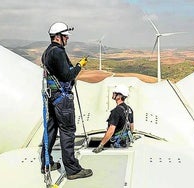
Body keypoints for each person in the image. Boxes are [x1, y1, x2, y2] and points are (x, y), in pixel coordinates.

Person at [41, 22, 93, 180]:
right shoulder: (58, 52)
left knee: (50, 130)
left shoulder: (47, 52)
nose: (67, 39)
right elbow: (66, 76)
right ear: (58, 37)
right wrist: (79, 66)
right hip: (62, 99)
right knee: (67, 132)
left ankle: (46, 163)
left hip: (52, 98)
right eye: (65, 37)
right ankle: (72, 169)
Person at [92, 85, 134, 153]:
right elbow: (132, 127)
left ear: (119, 96)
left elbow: (111, 130)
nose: (113, 94)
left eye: (115, 93)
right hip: (125, 142)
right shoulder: (129, 109)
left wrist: (101, 145)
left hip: (117, 144)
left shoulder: (116, 111)